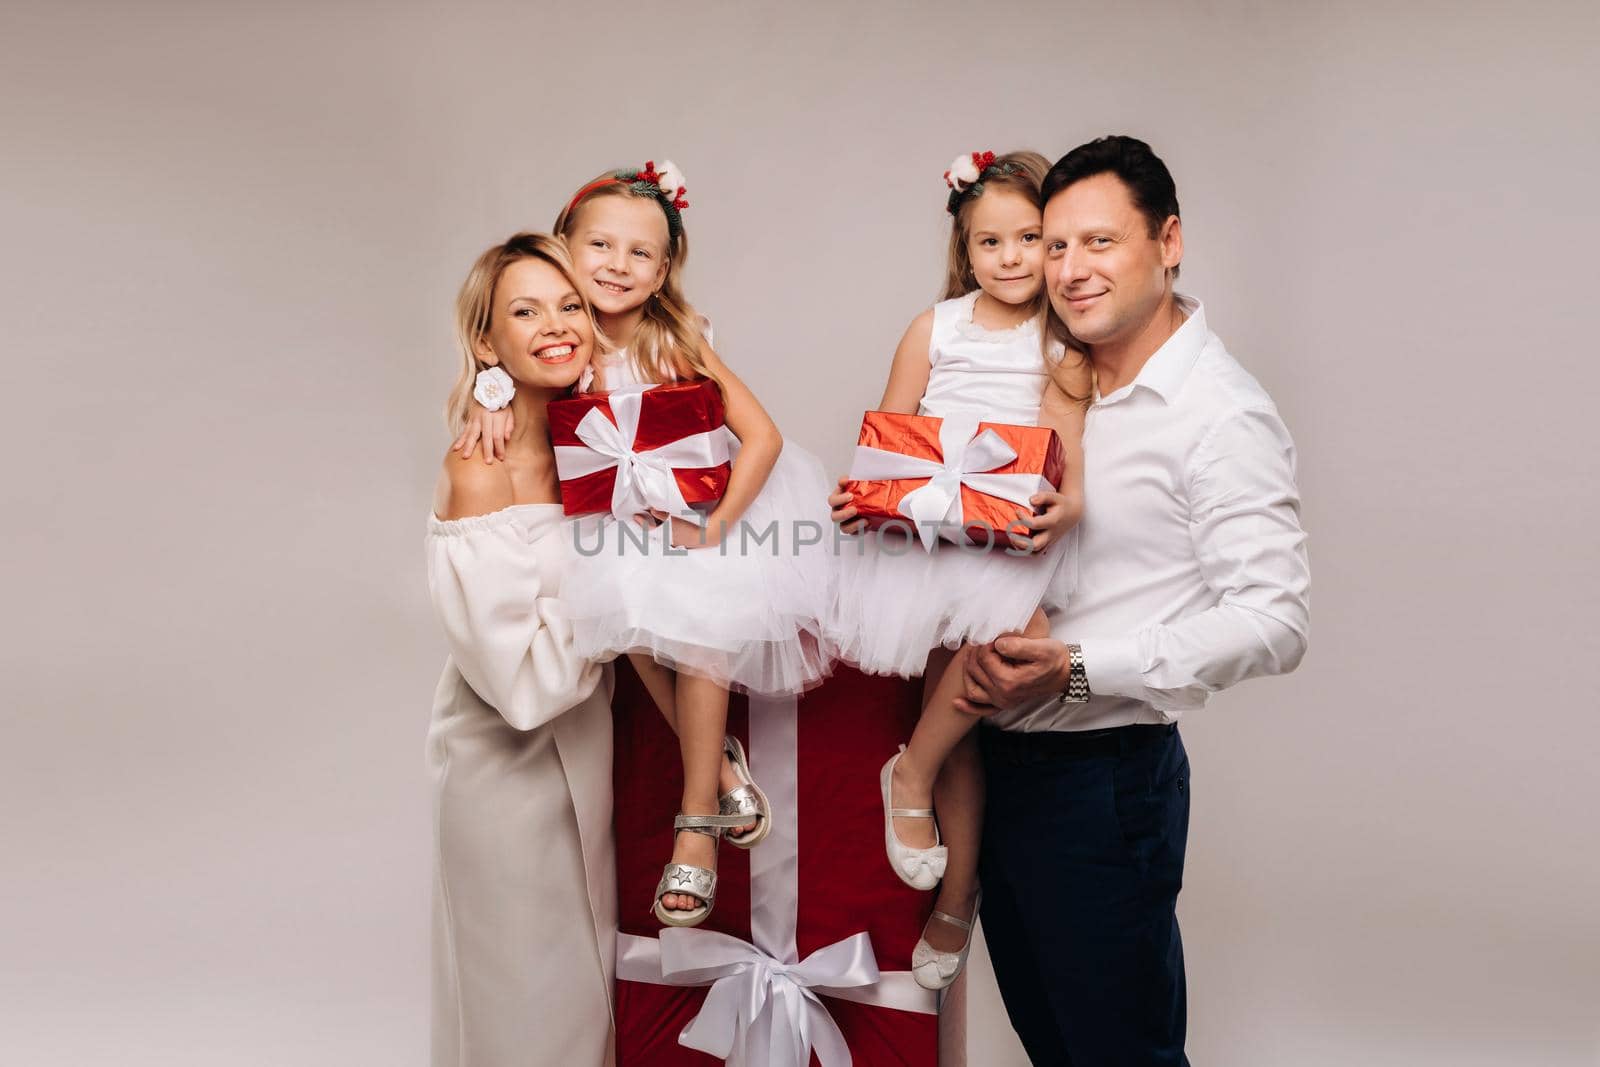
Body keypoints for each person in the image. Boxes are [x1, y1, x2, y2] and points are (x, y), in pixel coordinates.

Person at [956, 136, 1311, 1065]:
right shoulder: (1049, 378)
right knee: (1056, 1048)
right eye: (1056, 245)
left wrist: (1076, 669)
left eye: (1100, 242)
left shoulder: (1219, 412)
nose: (1070, 271)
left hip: (1104, 780)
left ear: (1170, 240)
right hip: (999, 769)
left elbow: (1275, 619)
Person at [462, 161, 835, 928]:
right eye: (600, 245)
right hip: (617, 524)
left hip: (706, 508)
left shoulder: (674, 339)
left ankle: (695, 819)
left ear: (665, 270)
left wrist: (721, 524)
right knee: (616, 606)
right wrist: (487, 393)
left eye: (641, 254)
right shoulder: (564, 338)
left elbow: (760, 434)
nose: (618, 267)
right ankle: (722, 761)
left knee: (699, 623)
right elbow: (507, 357)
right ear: (565, 246)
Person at [827, 150, 1091, 990]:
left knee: (996, 662)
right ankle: (957, 893)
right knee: (963, 726)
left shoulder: (1066, 338)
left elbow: (1061, 445)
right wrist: (864, 492)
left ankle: (907, 772)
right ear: (964, 248)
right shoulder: (933, 327)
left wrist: (1067, 505)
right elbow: (891, 429)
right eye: (990, 242)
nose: (1011, 257)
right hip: (928, 533)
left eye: (1028, 238)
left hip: (1006, 533)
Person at [425, 232, 616, 1066]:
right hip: (504, 775)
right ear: (485, 341)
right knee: (526, 1011)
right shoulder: (478, 469)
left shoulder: (598, 446)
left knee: (597, 1002)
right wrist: (624, 580)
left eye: (571, 305)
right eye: (525, 310)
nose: (556, 325)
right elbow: (526, 688)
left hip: (600, 758)